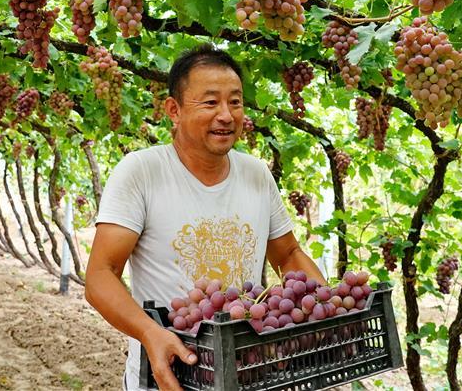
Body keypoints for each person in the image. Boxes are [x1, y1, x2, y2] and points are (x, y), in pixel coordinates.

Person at [85, 43, 325, 391]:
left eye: (236, 102)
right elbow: (100, 275)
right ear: (174, 110)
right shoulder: (141, 172)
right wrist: (151, 333)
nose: (226, 115)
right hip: (171, 376)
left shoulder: (256, 174)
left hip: (249, 372)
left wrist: (327, 309)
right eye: (210, 102)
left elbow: (287, 254)